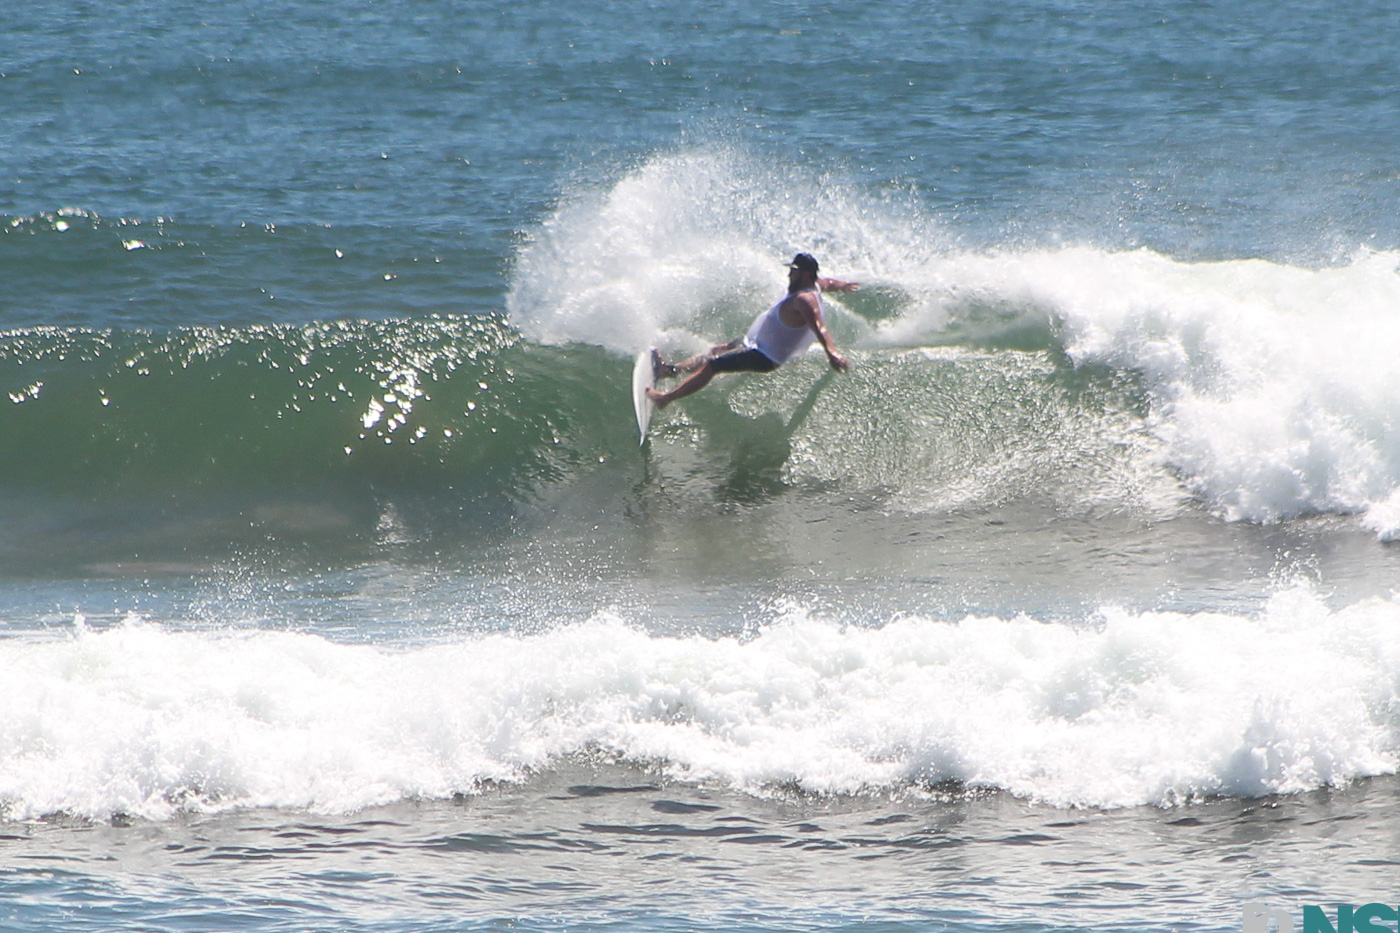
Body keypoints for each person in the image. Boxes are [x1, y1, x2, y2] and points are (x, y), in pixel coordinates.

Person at [646, 252, 858, 409]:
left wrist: (832, 352)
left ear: (804, 274)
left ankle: (665, 398)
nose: (788, 275)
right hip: (755, 344)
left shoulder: (804, 300)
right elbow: (828, 283)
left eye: (792, 271)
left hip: (764, 355)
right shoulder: (815, 285)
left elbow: (818, 326)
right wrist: (843, 285)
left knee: (712, 366)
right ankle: (671, 371)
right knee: (718, 350)